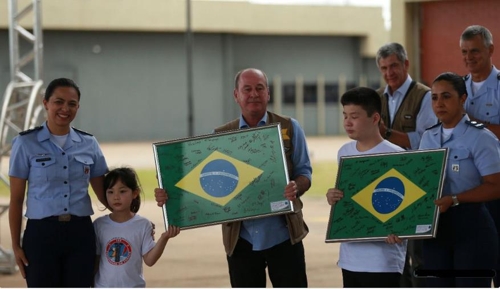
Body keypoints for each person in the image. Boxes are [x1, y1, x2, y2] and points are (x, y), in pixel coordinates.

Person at [155, 68, 312, 287]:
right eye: (247, 89)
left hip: (284, 235)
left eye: (259, 88)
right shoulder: (221, 136)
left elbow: (305, 172)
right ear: (236, 95)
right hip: (241, 240)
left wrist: (297, 186)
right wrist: (168, 195)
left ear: (268, 93)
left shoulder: (290, 127)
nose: (254, 94)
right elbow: (202, 181)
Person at [8, 78, 109, 287]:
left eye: (72, 104)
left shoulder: (89, 144)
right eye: (58, 102)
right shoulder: (25, 143)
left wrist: (136, 209)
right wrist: (16, 245)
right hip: (41, 235)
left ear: (78, 107)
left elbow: (107, 195)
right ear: (46, 103)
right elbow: (16, 200)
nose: (65, 109)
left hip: (80, 235)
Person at [419, 72, 500, 287]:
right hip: (435, 229)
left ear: (462, 99)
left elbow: (496, 186)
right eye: (434, 98)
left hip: (472, 228)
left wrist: (454, 199)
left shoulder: (481, 137)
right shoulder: (428, 137)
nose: (439, 103)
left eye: (446, 96)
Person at [325, 87, 407, 288]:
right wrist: (333, 196)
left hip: (383, 261)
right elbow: (348, 199)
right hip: (350, 259)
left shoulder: (397, 156)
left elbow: (406, 208)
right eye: (345, 116)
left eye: (354, 116)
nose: (347, 122)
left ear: (375, 118)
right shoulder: (344, 152)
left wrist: (401, 230)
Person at [375, 42, 438, 287]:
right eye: (384, 68)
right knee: (393, 255)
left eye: (393, 66)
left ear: (406, 64)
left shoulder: (425, 96)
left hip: (418, 185)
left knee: (419, 254)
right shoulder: (377, 97)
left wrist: (386, 133)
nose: (389, 73)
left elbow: (427, 139)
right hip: (387, 184)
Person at [460, 24, 500, 287]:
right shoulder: (457, 87)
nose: (468, 57)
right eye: (464, 52)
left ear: (490, 50)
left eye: (475, 51)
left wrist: (472, 124)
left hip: (495, 188)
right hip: (465, 190)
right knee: (472, 267)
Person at [94, 167, 180, 287]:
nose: (116, 197)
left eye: (122, 191)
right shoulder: (99, 225)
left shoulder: (143, 224)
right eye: (110, 192)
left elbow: (149, 260)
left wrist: (164, 238)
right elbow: (95, 262)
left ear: (135, 193)